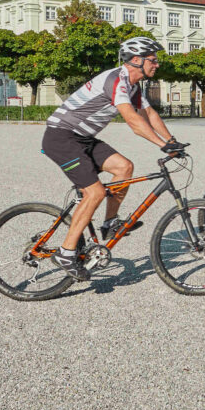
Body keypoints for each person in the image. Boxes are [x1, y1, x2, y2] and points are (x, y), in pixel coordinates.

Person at [41, 36, 186, 281]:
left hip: (83, 138)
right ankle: (66, 253)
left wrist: (171, 142)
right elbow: (134, 122)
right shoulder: (117, 80)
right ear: (137, 60)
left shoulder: (134, 86)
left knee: (124, 167)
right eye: (153, 59)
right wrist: (162, 146)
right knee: (95, 192)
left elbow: (148, 114)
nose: (157, 64)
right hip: (62, 136)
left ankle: (110, 222)